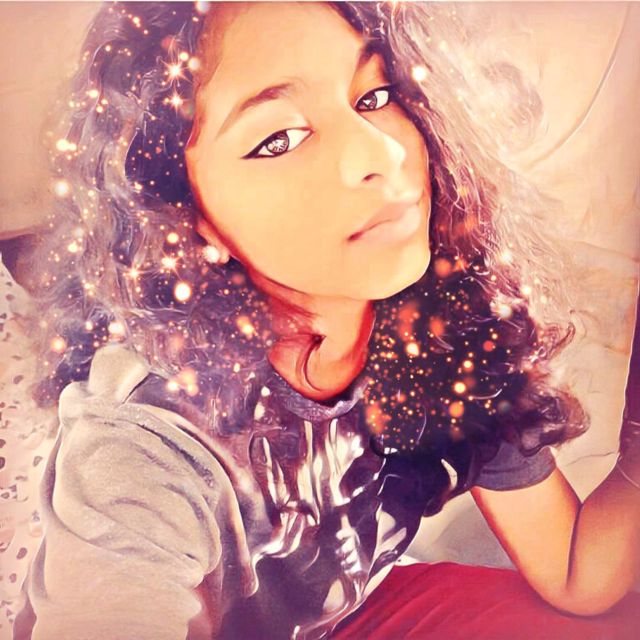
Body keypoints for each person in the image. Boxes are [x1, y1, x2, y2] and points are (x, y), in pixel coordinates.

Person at [12, 1, 640, 639]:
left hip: (352, 615)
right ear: (183, 214)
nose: (380, 152)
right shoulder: (146, 446)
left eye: (374, 97)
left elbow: (576, 575)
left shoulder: (442, 331)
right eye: (278, 139)